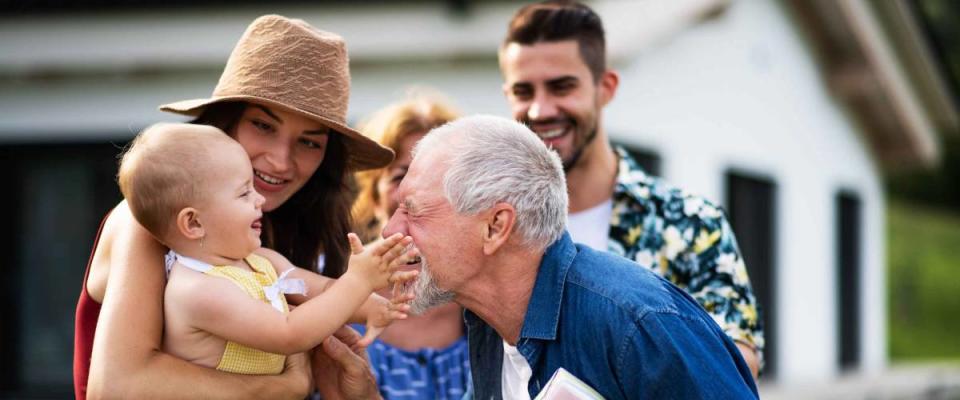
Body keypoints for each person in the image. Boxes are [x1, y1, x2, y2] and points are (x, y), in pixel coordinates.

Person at [74, 15, 391, 399]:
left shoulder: (280, 234)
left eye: (309, 143)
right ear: (225, 122)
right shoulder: (148, 223)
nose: (280, 160)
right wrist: (285, 386)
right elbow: (116, 387)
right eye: (263, 126)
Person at [382, 115, 758, 399]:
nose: (390, 231)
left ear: (496, 226)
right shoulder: (488, 326)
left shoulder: (637, 326)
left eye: (413, 212)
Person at [497, 0, 764, 377]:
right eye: (524, 92)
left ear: (605, 87)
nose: (540, 110)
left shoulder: (691, 224)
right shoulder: (492, 228)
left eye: (561, 87)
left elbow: (733, 367)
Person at [116, 123, 417, 375]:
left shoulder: (258, 260)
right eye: (244, 192)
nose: (259, 200)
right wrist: (358, 281)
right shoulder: (196, 290)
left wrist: (371, 308)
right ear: (193, 223)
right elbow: (288, 333)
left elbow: (321, 289)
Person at [351, 94, 471, 399]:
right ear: (374, 194)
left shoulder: (480, 293)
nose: (420, 193)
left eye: (438, 178)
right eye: (402, 175)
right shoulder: (334, 290)